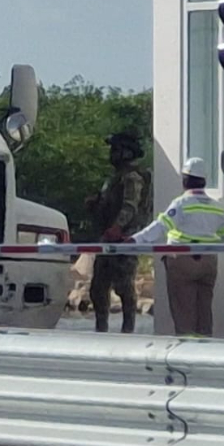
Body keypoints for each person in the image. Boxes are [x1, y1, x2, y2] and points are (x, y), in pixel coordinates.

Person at [126, 157, 224, 338]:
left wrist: (134, 241)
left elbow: (160, 226)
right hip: (208, 263)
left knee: (184, 313)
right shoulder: (218, 208)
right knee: (204, 311)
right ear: (204, 181)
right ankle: (205, 350)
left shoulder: (181, 204)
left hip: (182, 261)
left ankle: (187, 355)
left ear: (185, 180)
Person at [83, 132, 150, 333]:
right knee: (98, 289)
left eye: (116, 150)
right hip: (108, 239)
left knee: (124, 287)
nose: (112, 154)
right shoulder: (115, 178)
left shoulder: (132, 177)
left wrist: (117, 227)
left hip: (124, 239)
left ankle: (127, 330)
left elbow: (130, 207)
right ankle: (101, 330)